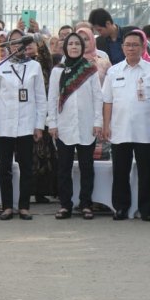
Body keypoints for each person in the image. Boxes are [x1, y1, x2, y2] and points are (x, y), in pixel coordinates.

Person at [102, 29, 150, 221]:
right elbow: (107, 101)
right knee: (120, 172)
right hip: (120, 129)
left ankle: (146, 208)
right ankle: (121, 207)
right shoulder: (113, 72)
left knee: (146, 172)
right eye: (127, 45)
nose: (131, 48)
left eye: (135, 45)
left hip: (145, 129)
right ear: (122, 48)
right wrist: (106, 125)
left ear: (143, 48)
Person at [0, 30, 47, 220]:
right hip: (4, 124)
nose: (16, 46)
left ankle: (24, 206)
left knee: (26, 166)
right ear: (8, 46)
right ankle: (7, 206)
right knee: (5, 167)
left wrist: (39, 125)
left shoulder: (34, 67)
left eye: (20, 42)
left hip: (27, 124)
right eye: (13, 43)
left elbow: (40, 98)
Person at [47, 33, 103, 219]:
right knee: (64, 168)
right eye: (70, 44)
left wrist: (97, 122)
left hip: (87, 125)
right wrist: (52, 124)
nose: (73, 47)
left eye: (77, 44)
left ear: (82, 47)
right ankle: (65, 205)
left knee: (87, 167)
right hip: (64, 126)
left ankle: (86, 204)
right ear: (65, 47)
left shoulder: (90, 69)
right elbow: (53, 99)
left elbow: (97, 97)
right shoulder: (58, 71)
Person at [28, 35, 58, 203]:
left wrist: (37, 36)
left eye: (32, 44)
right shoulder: (19, 64)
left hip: (43, 112)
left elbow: (47, 56)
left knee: (43, 153)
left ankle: (42, 191)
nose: (29, 47)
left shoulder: (43, 65)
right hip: (25, 113)